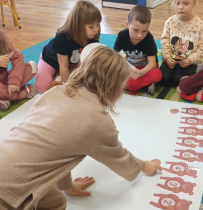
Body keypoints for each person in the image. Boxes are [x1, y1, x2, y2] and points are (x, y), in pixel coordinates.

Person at [0, 45, 162, 210]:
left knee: (57, 201)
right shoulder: (97, 121)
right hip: (9, 192)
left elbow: (58, 151)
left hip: (5, 161)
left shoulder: (55, 92)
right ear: (112, 87)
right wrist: (143, 166)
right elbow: (120, 159)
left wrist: (67, 187)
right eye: (122, 86)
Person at [35, 0, 101, 93]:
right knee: (41, 87)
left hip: (72, 64)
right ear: (78, 25)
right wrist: (67, 86)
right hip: (51, 61)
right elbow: (63, 66)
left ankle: (58, 78)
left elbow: (89, 62)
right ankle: (58, 78)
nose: (96, 30)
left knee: (83, 82)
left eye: (98, 25)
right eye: (91, 27)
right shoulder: (62, 36)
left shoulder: (92, 36)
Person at [113, 5, 162, 95]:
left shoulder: (149, 38)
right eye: (135, 30)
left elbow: (152, 63)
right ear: (127, 24)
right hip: (130, 68)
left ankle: (128, 84)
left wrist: (141, 73)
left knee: (157, 74)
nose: (139, 35)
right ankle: (142, 85)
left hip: (146, 69)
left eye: (144, 31)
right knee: (110, 69)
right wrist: (120, 59)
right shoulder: (122, 36)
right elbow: (113, 55)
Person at [158, 0, 203, 87]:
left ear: (194, 3)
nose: (181, 7)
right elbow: (164, 42)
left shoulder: (200, 25)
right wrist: (167, 57)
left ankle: (194, 71)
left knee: (179, 80)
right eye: (177, 3)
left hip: (189, 61)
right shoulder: (170, 22)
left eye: (185, 3)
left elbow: (202, 48)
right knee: (163, 79)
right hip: (171, 60)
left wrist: (190, 60)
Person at [0, 29, 37, 110]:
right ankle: (17, 95)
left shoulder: (1, 35)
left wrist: (14, 81)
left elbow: (17, 57)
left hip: (4, 80)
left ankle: (4, 96)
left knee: (32, 67)